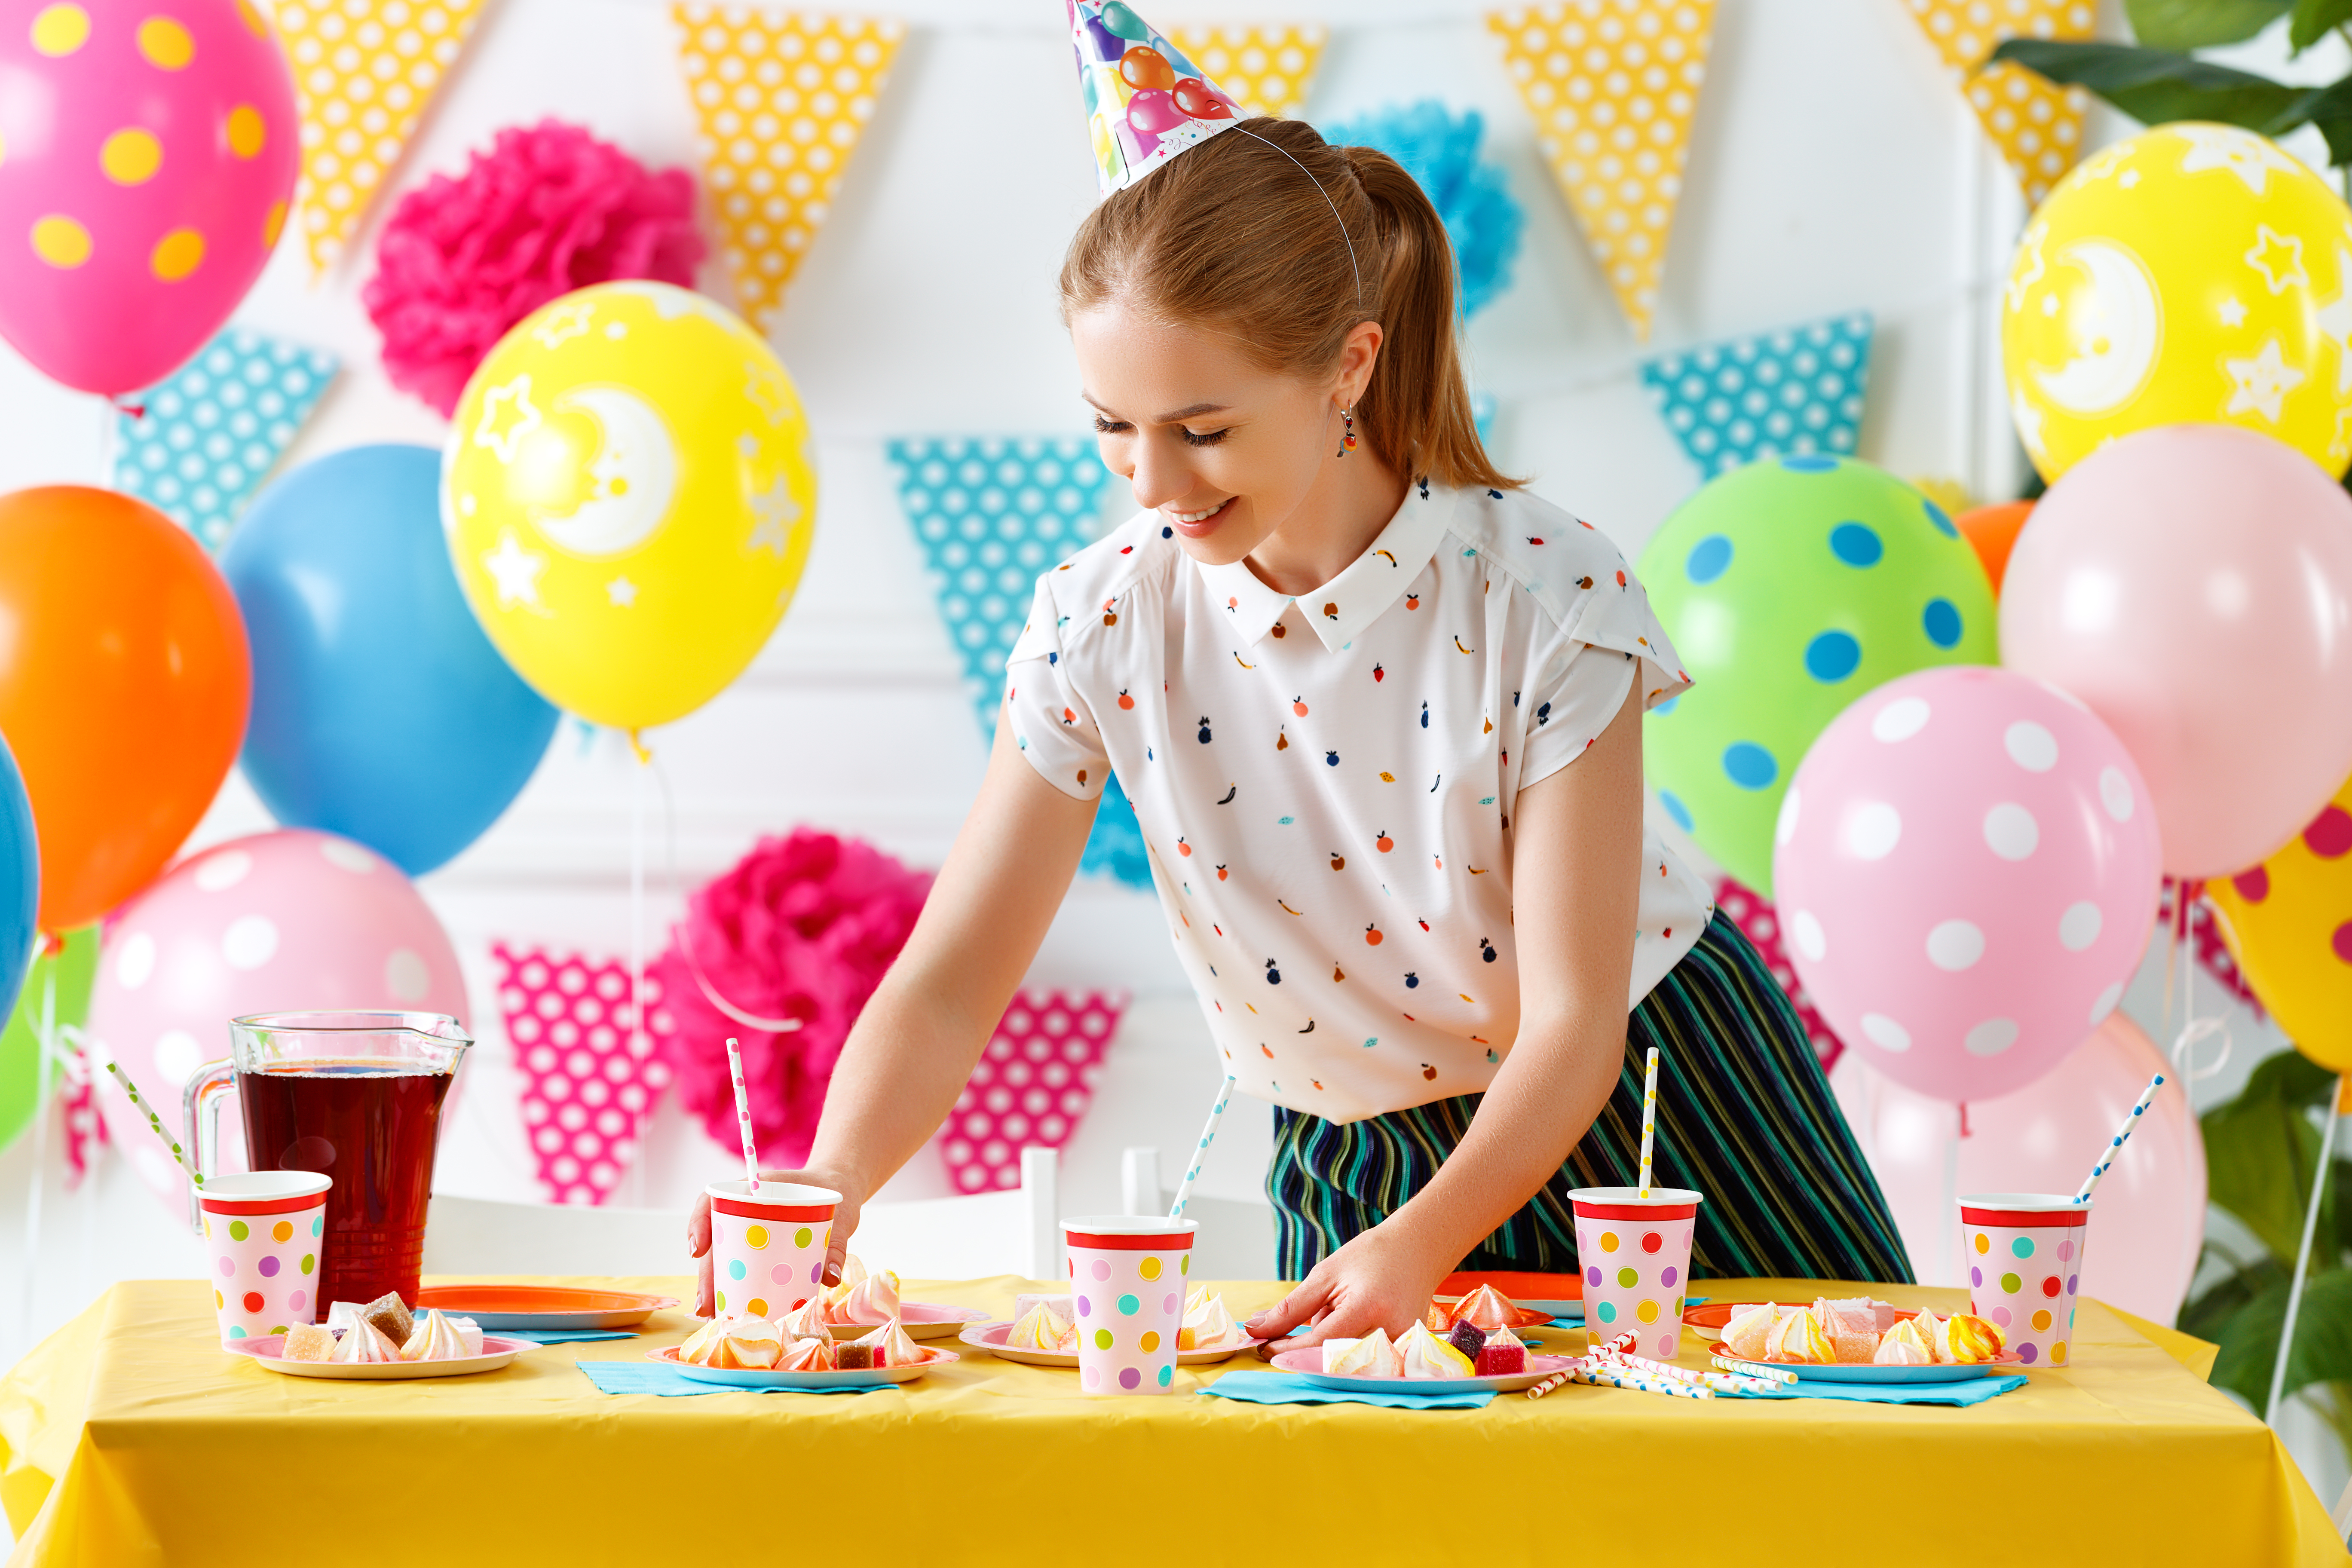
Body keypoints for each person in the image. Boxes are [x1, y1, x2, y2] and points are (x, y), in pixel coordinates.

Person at [690, 95, 1911, 1346]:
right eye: (1113, 427)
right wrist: (828, 1175)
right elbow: (952, 983)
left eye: (1202, 431)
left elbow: (1573, 1023)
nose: (1153, 486)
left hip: (1653, 1109)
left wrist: (1431, 1242)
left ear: (1351, 366)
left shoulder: (1548, 595)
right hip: (1358, 1159)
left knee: (1852, 1464)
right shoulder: (1098, 621)